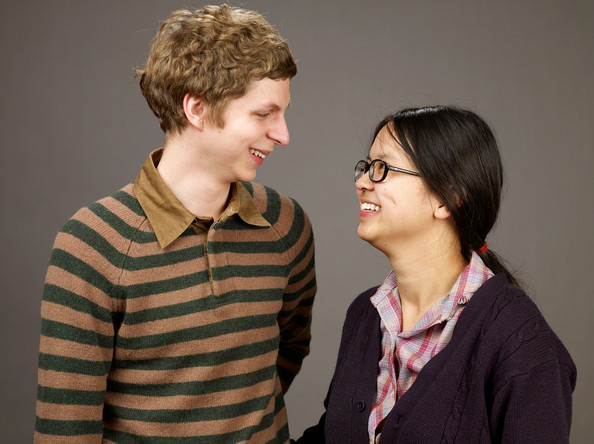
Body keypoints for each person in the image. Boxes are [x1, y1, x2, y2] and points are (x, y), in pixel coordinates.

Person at [35, 5, 316, 442]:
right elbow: (64, 430)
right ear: (197, 108)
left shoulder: (285, 225)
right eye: (263, 114)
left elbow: (287, 351)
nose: (283, 134)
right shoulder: (92, 243)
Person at [293, 106, 575, 443]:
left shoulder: (520, 340)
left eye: (382, 168)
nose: (363, 181)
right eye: (366, 167)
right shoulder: (365, 315)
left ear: (448, 199)